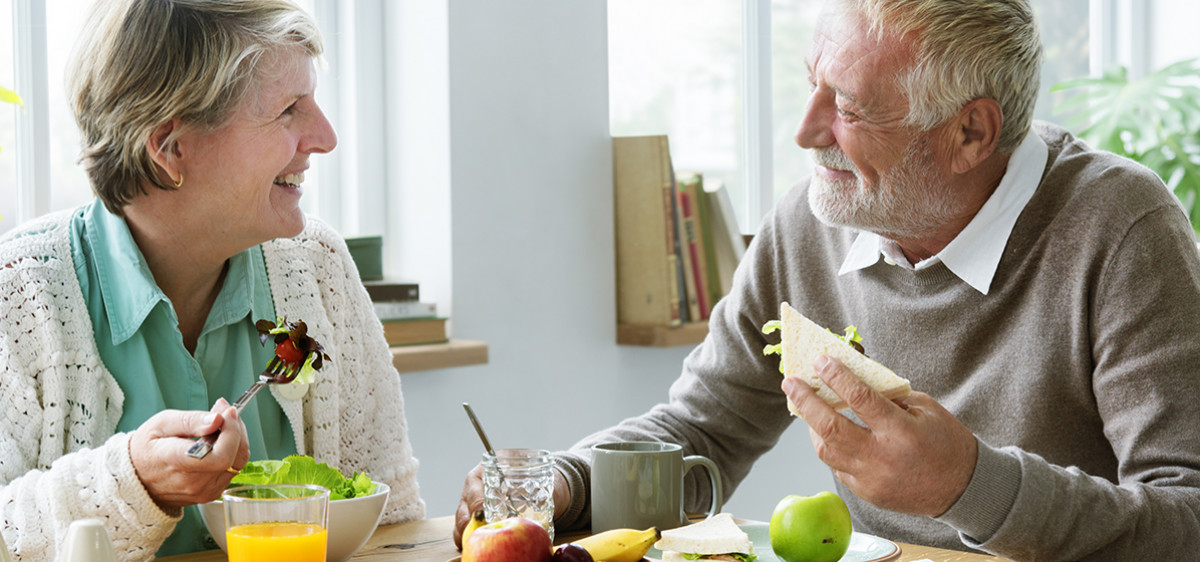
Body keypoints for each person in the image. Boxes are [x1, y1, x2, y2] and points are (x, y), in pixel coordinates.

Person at [456, 0, 1200, 559]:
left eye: (847, 107)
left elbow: (1187, 519)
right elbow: (703, 430)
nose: (806, 131)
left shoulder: (1121, 227)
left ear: (969, 133)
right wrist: (567, 481)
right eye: (814, 87)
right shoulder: (813, 220)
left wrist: (969, 484)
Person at [0, 0, 424, 559]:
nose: (325, 136)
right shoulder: (19, 296)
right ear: (171, 148)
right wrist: (132, 482)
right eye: (289, 110)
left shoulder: (316, 266)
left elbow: (390, 526)